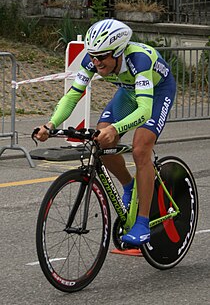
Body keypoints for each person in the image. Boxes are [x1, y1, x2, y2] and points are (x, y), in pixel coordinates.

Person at [34, 19, 176, 246]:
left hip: (157, 93)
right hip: (129, 93)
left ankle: (142, 221)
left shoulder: (139, 60)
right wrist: (50, 125)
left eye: (101, 57)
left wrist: (116, 129)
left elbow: (145, 110)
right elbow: (72, 96)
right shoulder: (93, 60)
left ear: (118, 52)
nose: (95, 62)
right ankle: (129, 185)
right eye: (92, 56)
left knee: (140, 150)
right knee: (101, 141)